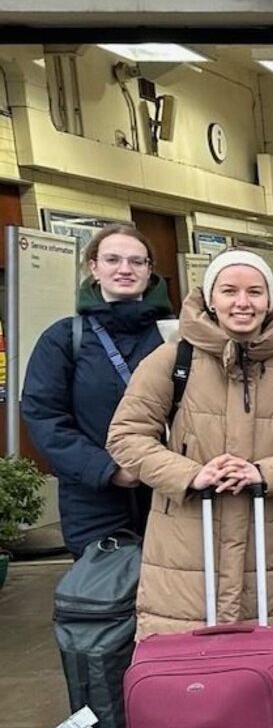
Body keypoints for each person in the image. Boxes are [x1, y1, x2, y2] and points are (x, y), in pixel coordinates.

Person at [105, 251, 273, 638]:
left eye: (254, 291)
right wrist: (191, 474)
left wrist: (265, 473)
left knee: (267, 673)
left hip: (272, 549)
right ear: (210, 298)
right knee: (190, 678)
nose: (242, 302)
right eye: (229, 290)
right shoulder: (171, 359)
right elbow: (126, 436)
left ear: (270, 300)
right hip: (185, 549)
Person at [22, 224, 176, 558]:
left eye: (137, 261)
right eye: (112, 259)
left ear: (150, 269)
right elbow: (44, 415)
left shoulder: (176, 336)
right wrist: (106, 470)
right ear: (93, 266)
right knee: (104, 600)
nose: (125, 269)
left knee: (179, 598)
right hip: (93, 502)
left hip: (173, 494)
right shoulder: (64, 339)